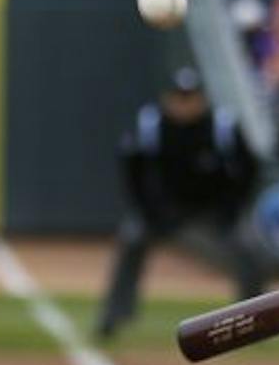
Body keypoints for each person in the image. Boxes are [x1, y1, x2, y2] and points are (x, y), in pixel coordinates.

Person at [94, 67, 261, 340]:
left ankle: (253, 321)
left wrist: (231, 208)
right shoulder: (150, 125)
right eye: (179, 97)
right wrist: (148, 210)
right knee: (132, 239)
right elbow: (132, 170)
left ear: (202, 99)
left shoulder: (222, 126)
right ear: (167, 98)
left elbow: (250, 169)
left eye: (191, 97)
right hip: (163, 210)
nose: (184, 104)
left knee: (248, 248)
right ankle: (114, 316)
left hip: (212, 211)